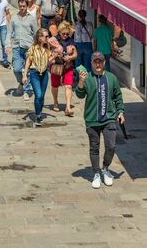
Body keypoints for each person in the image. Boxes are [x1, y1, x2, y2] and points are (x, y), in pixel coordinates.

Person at [75, 52, 125, 189]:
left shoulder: (111, 78)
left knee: (111, 146)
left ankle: (105, 168)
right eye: (95, 62)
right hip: (92, 119)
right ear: (91, 63)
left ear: (104, 63)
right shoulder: (87, 78)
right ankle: (96, 173)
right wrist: (80, 81)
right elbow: (79, 95)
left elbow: (118, 96)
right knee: (94, 147)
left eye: (100, 61)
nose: (98, 64)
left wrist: (120, 111)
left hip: (108, 118)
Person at [5, 0, 37, 101]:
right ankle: (21, 82)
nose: (22, 8)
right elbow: (9, 32)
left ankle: (27, 91)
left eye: (24, 6)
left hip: (28, 47)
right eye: (20, 6)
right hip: (17, 47)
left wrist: (37, 47)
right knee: (17, 68)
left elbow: (36, 33)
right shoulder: (14, 18)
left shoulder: (31, 18)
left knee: (27, 71)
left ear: (27, 6)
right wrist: (7, 45)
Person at [23, 29, 50, 126]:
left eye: (48, 36)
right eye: (46, 36)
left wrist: (55, 56)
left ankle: (39, 113)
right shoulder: (33, 48)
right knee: (38, 95)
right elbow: (28, 61)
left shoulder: (48, 48)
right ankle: (38, 115)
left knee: (42, 96)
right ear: (40, 37)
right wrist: (25, 75)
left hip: (45, 73)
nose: (47, 38)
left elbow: (49, 61)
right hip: (34, 73)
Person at [50, 21, 77, 116]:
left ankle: (68, 107)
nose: (65, 35)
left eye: (67, 33)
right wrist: (54, 53)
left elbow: (75, 54)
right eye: (63, 33)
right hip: (56, 66)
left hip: (68, 66)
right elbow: (47, 50)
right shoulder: (54, 40)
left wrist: (70, 57)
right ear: (59, 32)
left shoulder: (71, 41)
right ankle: (55, 102)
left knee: (68, 86)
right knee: (55, 86)